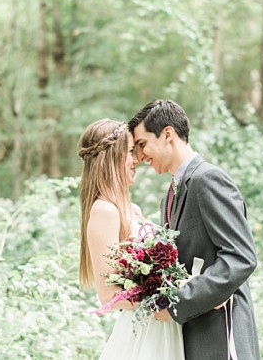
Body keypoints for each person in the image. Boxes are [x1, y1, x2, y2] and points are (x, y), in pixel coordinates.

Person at [128, 100, 261, 360]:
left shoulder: (208, 179)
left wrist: (177, 301)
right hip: (188, 337)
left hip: (221, 335)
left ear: (168, 135)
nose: (139, 156)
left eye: (142, 144)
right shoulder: (168, 198)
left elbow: (241, 258)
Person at [78, 119, 185, 360]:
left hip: (163, 327)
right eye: (129, 152)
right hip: (144, 333)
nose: (136, 160)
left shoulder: (131, 209)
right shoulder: (104, 211)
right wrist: (167, 293)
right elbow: (108, 296)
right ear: (111, 159)